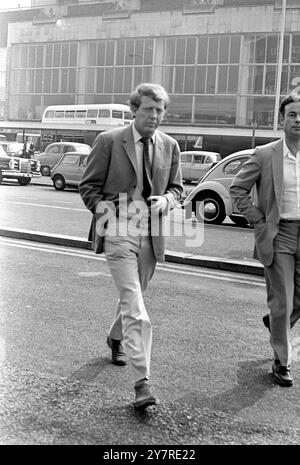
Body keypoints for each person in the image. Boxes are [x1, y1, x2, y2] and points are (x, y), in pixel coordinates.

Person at [79, 83, 183, 409]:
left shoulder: (170, 146)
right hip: (119, 231)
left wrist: (166, 200)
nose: (155, 116)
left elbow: (178, 189)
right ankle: (142, 383)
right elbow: (88, 187)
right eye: (149, 109)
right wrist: (110, 218)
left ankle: (115, 337)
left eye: (160, 110)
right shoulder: (109, 141)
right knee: (136, 307)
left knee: (133, 295)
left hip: (151, 235)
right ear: (134, 109)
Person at [230, 90, 300, 388]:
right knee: (282, 300)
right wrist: (258, 219)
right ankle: (281, 361)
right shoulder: (264, 154)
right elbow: (237, 189)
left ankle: (275, 324)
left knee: (294, 302)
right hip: (279, 233)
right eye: (293, 114)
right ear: (282, 119)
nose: (299, 119)